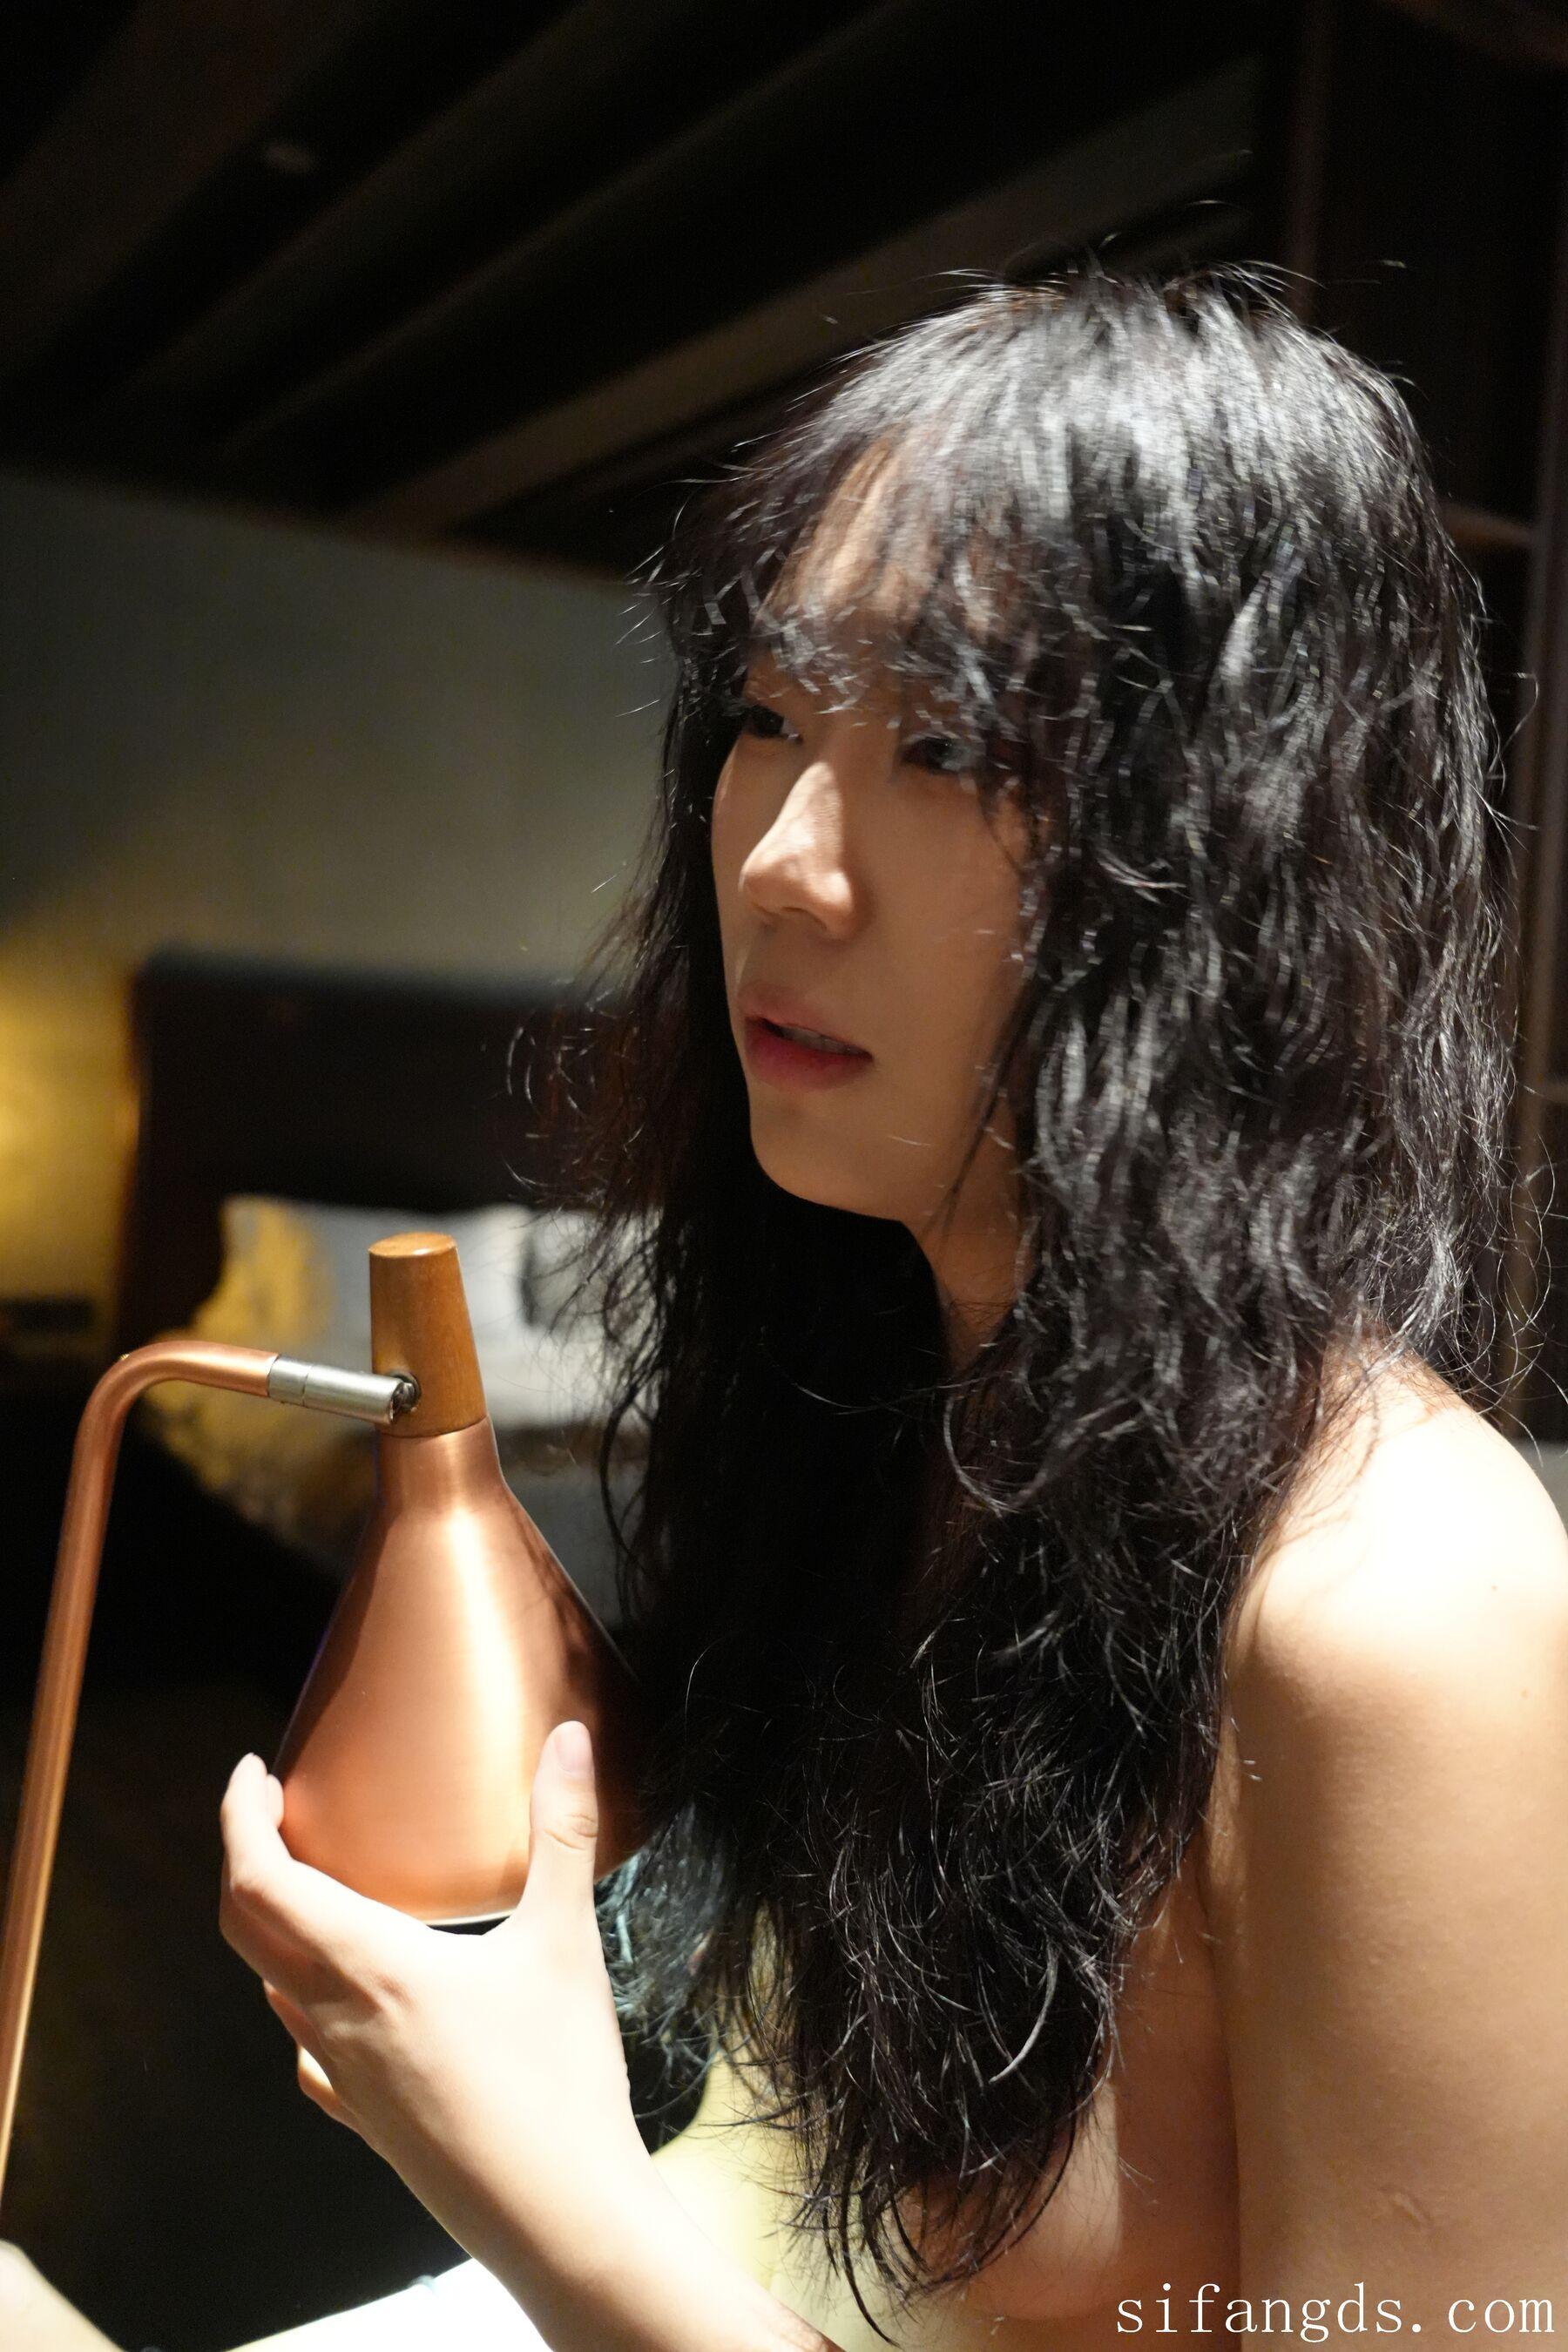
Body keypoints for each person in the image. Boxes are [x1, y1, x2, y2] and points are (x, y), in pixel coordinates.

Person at [10, 264, 1567, 2350]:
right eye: (765, 718)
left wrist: (549, 2196)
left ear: (1241, 855)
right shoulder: (888, 1402)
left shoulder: (1400, 1612)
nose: (779, 866)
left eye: (946, 744)